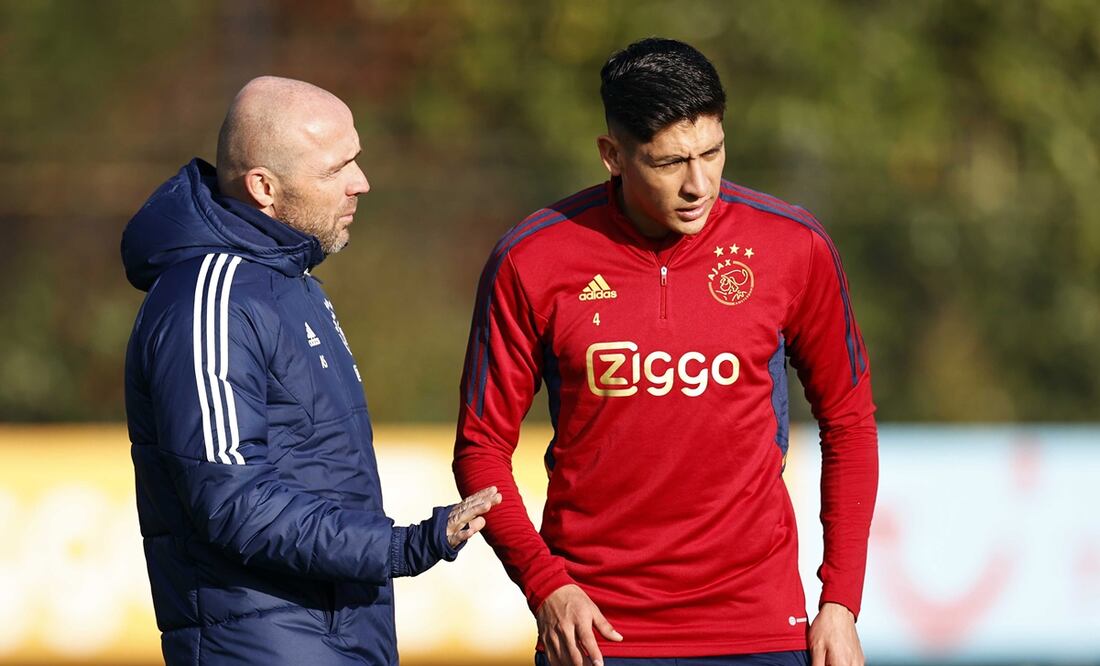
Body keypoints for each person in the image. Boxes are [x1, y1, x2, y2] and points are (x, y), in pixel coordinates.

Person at [453, 38, 878, 666]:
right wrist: (547, 587)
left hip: (759, 629)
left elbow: (849, 423)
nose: (698, 183)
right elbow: (481, 449)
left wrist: (840, 603)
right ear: (612, 156)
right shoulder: (532, 260)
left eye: (712, 152)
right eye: (669, 162)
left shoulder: (795, 247)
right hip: (598, 636)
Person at [122, 76, 501, 666]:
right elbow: (233, 501)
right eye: (334, 170)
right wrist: (397, 547)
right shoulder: (209, 298)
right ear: (264, 187)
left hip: (337, 636)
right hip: (263, 649)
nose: (361, 183)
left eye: (357, 159)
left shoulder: (290, 286)